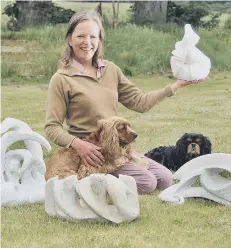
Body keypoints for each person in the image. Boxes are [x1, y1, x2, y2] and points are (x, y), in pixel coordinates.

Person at [45, 11, 205, 194]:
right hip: (93, 154)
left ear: (99, 40)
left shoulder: (111, 70)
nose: (87, 42)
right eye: (80, 36)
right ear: (69, 40)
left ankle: (118, 167)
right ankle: (90, 181)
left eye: (93, 36)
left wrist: (175, 86)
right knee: (147, 183)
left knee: (165, 178)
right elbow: (52, 127)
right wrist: (79, 145)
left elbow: (139, 102)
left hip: (117, 147)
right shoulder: (61, 78)